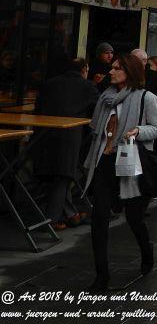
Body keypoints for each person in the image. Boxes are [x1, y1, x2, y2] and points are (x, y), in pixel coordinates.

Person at [83, 52, 157, 291]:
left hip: (130, 165)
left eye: (117, 68)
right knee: (98, 218)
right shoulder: (105, 98)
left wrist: (138, 131)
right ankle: (102, 275)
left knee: (134, 218)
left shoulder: (145, 98)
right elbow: (95, 129)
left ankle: (146, 252)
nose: (111, 71)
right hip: (104, 164)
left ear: (129, 72)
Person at [34, 57, 98, 229]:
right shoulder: (88, 86)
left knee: (54, 175)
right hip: (70, 135)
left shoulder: (49, 84)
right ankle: (51, 219)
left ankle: (71, 214)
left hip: (44, 133)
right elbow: (96, 111)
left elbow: (37, 108)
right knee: (64, 175)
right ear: (84, 69)